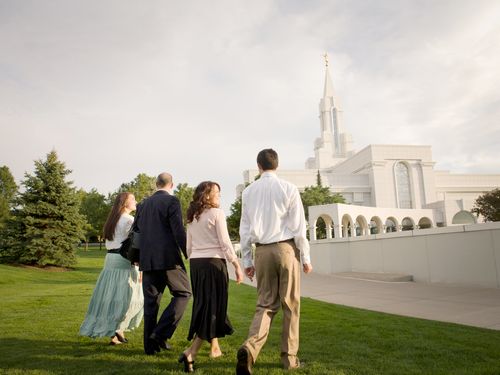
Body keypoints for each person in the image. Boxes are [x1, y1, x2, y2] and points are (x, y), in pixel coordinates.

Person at [236, 149, 313, 374]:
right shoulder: (288, 188)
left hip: (262, 252)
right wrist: (306, 257)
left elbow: (245, 229)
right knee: (291, 305)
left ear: (258, 166)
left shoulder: (249, 192)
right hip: (286, 249)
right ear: (276, 165)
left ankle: (249, 349)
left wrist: (247, 261)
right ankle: (289, 359)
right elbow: (299, 226)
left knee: (265, 304)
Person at [178, 181, 244, 373]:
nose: (219, 196)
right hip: (213, 264)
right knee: (212, 308)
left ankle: (214, 347)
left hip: (197, 266)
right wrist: (236, 264)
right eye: (216, 193)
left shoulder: (192, 217)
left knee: (206, 306)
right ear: (206, 195)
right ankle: (191, 352)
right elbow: (225, 242)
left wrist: (195, 257)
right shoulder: (217, 213)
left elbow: (188, 247)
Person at [134, 172, 192, 355]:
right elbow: (178, 229)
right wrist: (187, 252)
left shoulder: (142, 204)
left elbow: (136, 231)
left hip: (147, 259)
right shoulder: (172, 201)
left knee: (151, 304)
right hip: (168, 259)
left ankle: (149, 347)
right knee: (184, 293)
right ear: (171, 185)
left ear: (156, 184)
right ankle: (160, 334)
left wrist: (137, 256)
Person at [79, 192, 143, 345]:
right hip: (123, 260)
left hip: (110, 259)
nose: (136, 202)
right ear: (124, 203)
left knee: (112, 296)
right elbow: (135, 245)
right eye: (132, 199)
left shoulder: (111, 220)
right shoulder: (129, 220)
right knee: (133, 298)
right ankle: (118, 328)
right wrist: (140, 266)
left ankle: (115, 335)